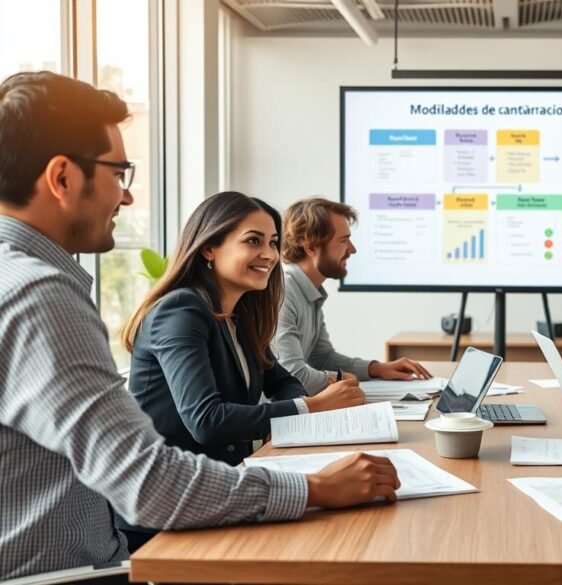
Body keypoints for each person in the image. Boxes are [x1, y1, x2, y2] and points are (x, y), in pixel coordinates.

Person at [0, 71, 399, 580]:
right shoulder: (38, 296)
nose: (125, 197)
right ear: (62, 178)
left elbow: (277, 377)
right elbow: (148, 482)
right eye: (119, 173)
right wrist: (316, 489)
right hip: (71, 574)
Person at [116, 191, 368, 550]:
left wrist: (295, 410)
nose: (269, 254)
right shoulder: (182, 310)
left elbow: (282, 382)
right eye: (253, 241)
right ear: (209, 248)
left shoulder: (241, 313)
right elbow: (207, 421)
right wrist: (311, 407)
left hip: (222, 486)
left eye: (273, 243)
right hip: (166, 510)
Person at [274, 197, 430, 394]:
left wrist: (377, 368)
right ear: (311, 247)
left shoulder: (309, 292)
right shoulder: (284, 292)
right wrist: (342, 378)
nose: (352, 249)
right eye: (343, 240)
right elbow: (293, 375)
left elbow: (321, 357)